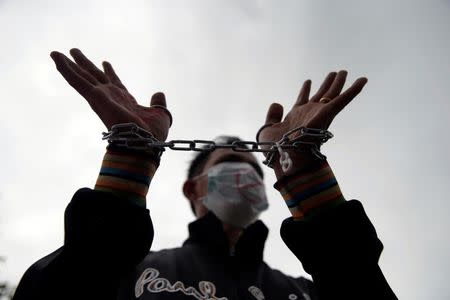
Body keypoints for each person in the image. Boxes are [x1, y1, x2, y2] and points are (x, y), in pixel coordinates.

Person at [13, 49, 397, 300]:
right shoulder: (133, 273)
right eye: (229, 165)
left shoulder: (302, 292)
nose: (245, 177)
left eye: (254, 170)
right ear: (191, 188)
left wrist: (303, 171)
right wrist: (130, 159)